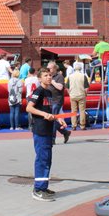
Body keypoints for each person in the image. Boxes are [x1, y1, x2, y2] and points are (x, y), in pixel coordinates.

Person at [26, 67, 68, 202]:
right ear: (39, 78)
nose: (49, 77)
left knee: (47, 160)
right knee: (42, 160)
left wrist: (58, 118)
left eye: (50, 75)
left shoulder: (49, 92)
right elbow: (29, 107)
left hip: (48, 130)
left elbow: (50, 111)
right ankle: (38, 190)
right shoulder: (38, 91)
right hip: (40, 130)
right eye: (45, 75)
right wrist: (44, 114)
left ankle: (43, 187)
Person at [47, 61, 71, 144]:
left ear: (54, 68)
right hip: (49, 100)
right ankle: (65, 132)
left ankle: (52, 139)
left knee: (53, 118)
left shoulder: (59, 76)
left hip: (57, 101)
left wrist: (52, 81)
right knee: (51, 119)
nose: (48, 69)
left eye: (49, 68)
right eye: (47, 68)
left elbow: (60, 87)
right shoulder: (48, 76)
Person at [66, 61, 89, 130]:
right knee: (82, 111)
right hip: (81, 95)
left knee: (73, 111)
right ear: (80, 68)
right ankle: (82, 125)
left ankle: (74, 125)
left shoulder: (70, 76)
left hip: (73, 95)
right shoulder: (83, 76)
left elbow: (67, 87)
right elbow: (86, 87)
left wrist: (69, 93)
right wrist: (85, 94)